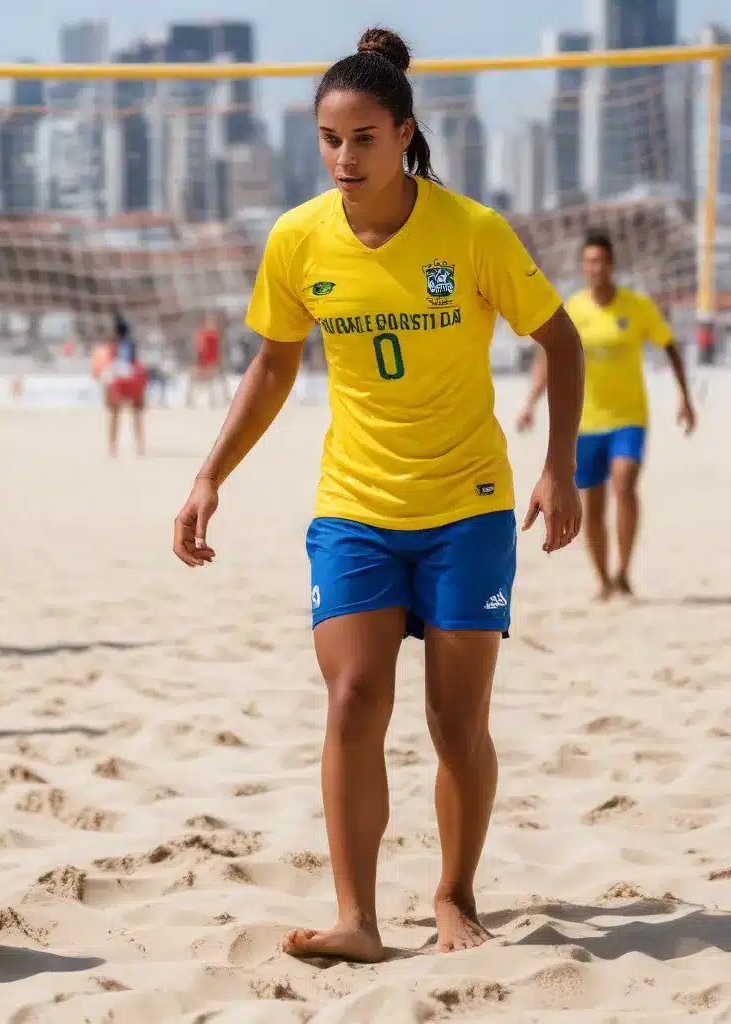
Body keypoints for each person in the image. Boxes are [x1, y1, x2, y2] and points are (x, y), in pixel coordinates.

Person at [173, 29, 585, 961]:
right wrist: (209, 474)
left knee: (455, 721)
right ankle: (356, 919)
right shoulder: (297, 238)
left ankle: (452, 893)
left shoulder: (472, 232)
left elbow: (561, 341)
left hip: (467, 507)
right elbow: (274, 366)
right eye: (328, 138)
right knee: (355, 696)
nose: (343, 158)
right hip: (355, 506)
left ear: (405, 134)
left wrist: (560, 467)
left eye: (362, 138)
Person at [517, 230, 695, 599]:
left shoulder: (636, 306)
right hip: (585, 422)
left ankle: (625, 570)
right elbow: (547, 356)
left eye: (600, 261)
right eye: (588, 262)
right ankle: (603, 578)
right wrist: (531, 403)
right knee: (593, 505)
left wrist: (684, 397)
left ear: (612, 265)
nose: (594, 268)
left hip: (629, 417)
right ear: (583, 268)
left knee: (625, 483)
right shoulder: (573, 309)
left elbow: (669, 345)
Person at [94, 314, 147, 456]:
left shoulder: (113, 347)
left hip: (120, 381)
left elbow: (108, 367)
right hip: (134, 379)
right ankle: (139, 446)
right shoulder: (132, 345)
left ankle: (112, 446)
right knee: (136, 414)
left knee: (115, 414)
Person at [186, 312, 229, 409]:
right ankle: (192, 401)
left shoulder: (208, 335)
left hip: (210, 362)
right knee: (211, 381)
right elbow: (201, 350)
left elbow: (203, 350)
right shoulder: (208, 335)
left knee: (214, 381)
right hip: (209, 362)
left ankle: (193, 401)